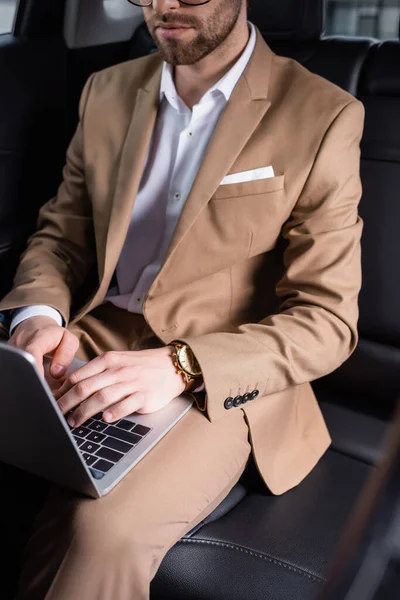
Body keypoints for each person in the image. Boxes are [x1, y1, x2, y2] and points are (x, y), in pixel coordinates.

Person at [0, 0, 365, 598]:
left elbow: (326, 320)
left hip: (215, 376)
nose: (164, 7)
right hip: (91, 341)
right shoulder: (106, 90)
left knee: (101, 531)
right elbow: (60, 238)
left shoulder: (323, 113)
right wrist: (39, 317)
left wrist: (181, 365)